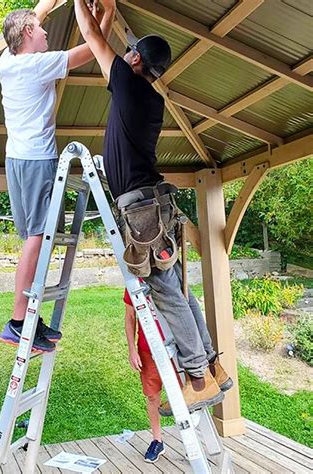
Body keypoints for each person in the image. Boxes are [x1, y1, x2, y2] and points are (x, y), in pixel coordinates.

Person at [73, 0, 233, 414]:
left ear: (135, 58)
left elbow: (91, 38)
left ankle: (196, 377)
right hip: (153, 204)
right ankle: (213, 367)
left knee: (166, 294)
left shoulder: (128, 83)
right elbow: (99, 41)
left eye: (127, 54)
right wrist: (105, 13)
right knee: (180, 290)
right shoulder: (146, 96)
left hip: (142, 210)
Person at [0, 0, 115, 353]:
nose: (47, 30)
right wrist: (106, 14)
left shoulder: (7, 62)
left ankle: (27, 321)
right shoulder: (37, 65)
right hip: (36, 161)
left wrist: (50, 4)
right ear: (29, 33)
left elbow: (37, 14)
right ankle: (18, 323)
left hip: (17, 160)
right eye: (41, 27)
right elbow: (93, 49)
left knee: (35, 237)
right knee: (36, 239)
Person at [124, 288, 165, 463]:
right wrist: (132, 350)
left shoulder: (169, 275)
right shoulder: (132, 283)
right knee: (153, 396)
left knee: (183, 395)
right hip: (147, 349)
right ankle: (157, 440)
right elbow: (130, 318)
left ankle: (189, 439)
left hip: (173, 349)